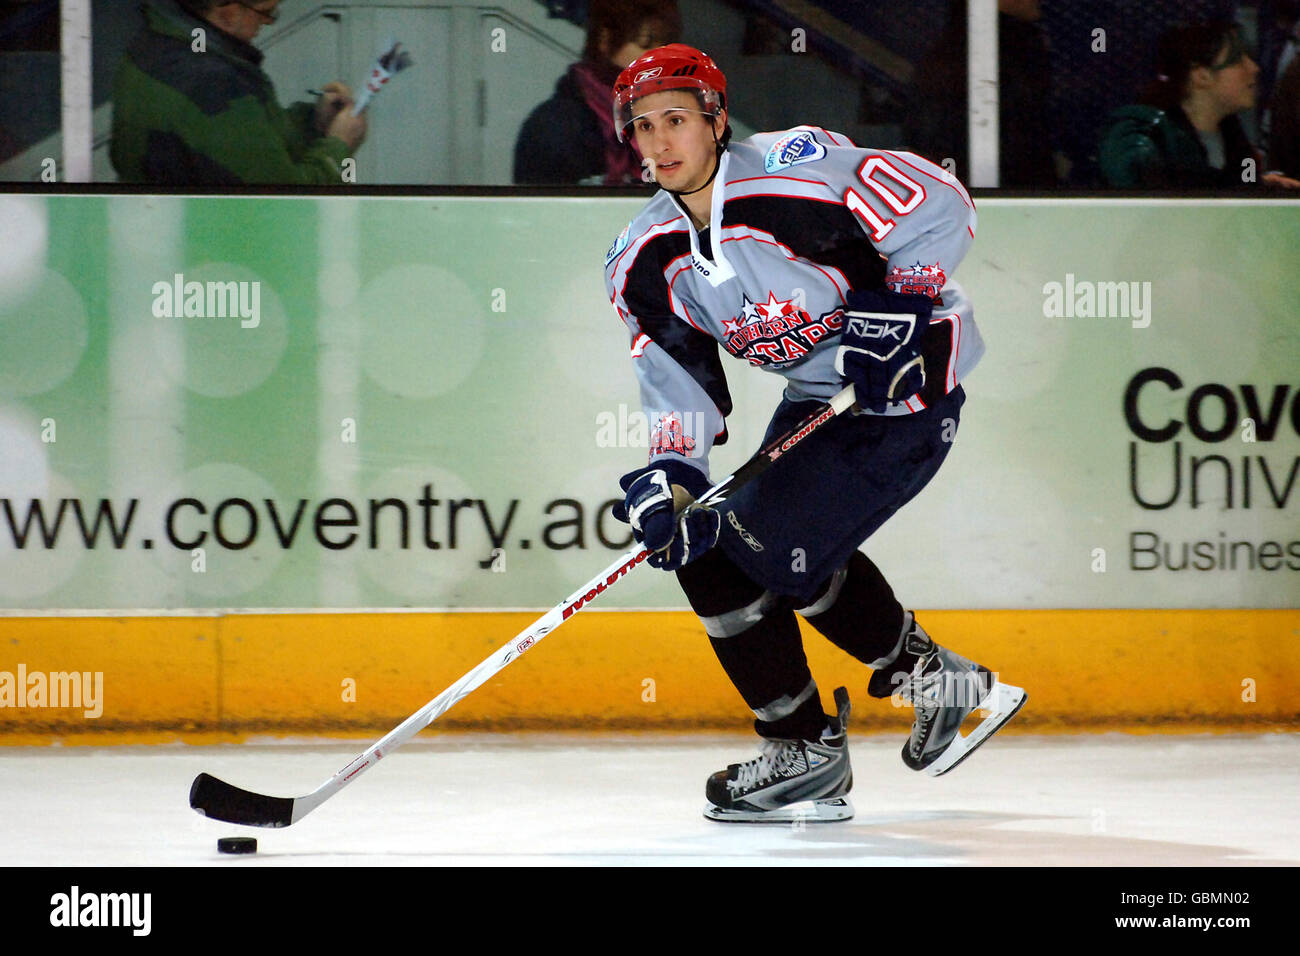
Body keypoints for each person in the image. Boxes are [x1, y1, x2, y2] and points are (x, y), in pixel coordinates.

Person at [602, 44, 1025, 823]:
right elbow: (676, 378)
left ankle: (836, 738)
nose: (660, 142)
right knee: (711, 550)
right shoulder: (644, 257)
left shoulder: (793, 174)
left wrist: (903, 303)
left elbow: (940, 202)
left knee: (761, 545)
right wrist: (672, 474)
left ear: (716, 121)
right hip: (820, 399)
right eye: (643, 126)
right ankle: (865, 718)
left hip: (907, 395)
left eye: (677, 120)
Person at [111, 0, 366, 184]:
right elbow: (284, 200)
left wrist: (313, 123)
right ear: (229, 11)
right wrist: (339, 146)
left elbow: (238, 145)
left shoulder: (153, 43)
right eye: (266, 12)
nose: (267, 22)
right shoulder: (215, 86)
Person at [1098, 20, 1300, 189]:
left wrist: (1257, 187)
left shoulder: (1232, 135)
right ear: (1201, 76)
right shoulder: (1144, 137)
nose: (1254, 68)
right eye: (1237, 60)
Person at [513, 0, 679, 185]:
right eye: (646, 43)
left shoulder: (673, 121)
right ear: (605, 40)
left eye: (664, 47)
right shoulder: (559, 126)